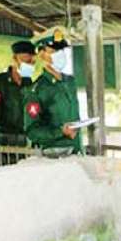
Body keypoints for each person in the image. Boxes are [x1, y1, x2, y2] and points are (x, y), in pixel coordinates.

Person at [24, 28, 82, 156]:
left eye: (61, 50)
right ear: (41, 54)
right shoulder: (37, 90)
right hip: (53, 155)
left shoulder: (70, 82)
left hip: (75, 151)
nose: (60, 54)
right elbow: (32, 131)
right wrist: (60, 131)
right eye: (54, 51)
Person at [0, 40, 36, 146]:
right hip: (4, 137)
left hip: (24, 136)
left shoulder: (28, 82)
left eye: (32, 62)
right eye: (26, 62)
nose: (29, 65)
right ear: (14, 60)